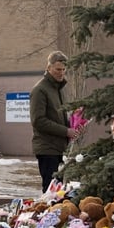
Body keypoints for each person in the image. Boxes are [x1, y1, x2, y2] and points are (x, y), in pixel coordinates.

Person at [29, 51, 79, 192]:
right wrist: (66, 131)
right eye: (58, 69)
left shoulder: (59, 89)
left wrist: (74, 126)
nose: (61, 73)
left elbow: (59, 116)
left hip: (59, 147)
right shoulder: (40, 90)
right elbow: (38, 120)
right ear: (49, 68)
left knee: (58, 190)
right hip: (47, 148)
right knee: (50, 190)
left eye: (64, 69)